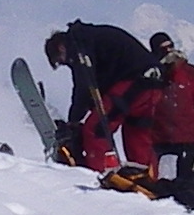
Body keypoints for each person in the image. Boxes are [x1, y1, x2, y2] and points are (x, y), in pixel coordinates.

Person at [43, 22, 152, 171]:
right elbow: (98, 81)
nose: (66, 64)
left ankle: (100, 175)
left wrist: (73, 121)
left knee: (96, 128)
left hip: (133, 81)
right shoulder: (90, 38)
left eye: (61, 60)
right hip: (151, 83)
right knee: (136, 131)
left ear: (61, 47)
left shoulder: (78, 44)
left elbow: (84, 84)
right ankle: (144, 178)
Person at [145, 33, 194, 212]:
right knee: (162, 190)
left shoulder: (190, 73)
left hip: (187, 144)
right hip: (160, 145)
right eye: (163, 48)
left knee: (185, 189)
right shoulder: (151, 75)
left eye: (170, 46)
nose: (169, 51)